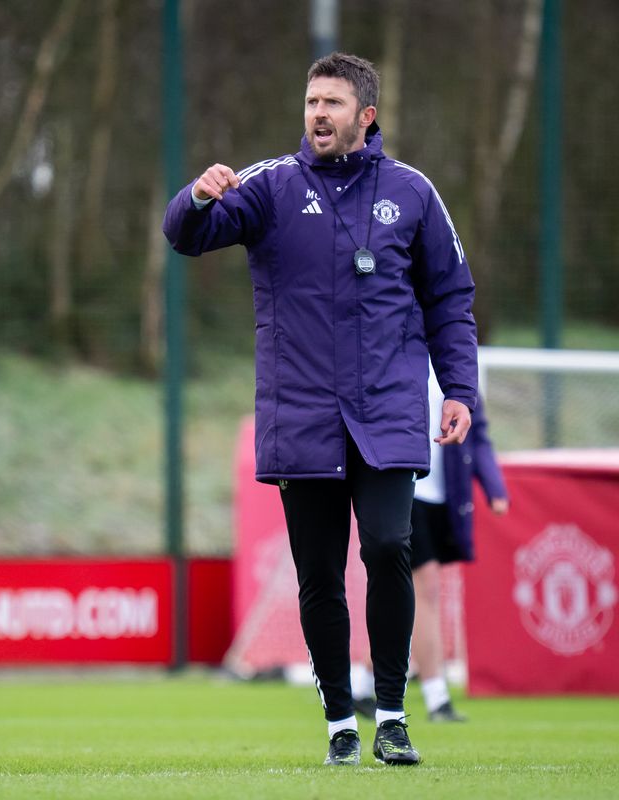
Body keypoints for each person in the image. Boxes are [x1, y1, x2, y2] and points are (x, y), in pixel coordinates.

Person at [164, 53, 479, 767]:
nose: (318, 114)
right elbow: (185, 235)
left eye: (333, 103)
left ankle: (393, 716)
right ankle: (341, 717)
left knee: (391, 546)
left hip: (389, 410)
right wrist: (198, 195)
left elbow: (450, 300)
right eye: (311, 102)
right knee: (318, 578)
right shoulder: (270, 187)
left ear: (366, 115)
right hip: (301, 415)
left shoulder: (414, 192)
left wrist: (460, 389)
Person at [352, 360, 509, 723]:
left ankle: (359, 684)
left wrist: (494, 489)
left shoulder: (456, 374)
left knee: (400, 593)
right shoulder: (392, 364)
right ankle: (436, 696)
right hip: (405, 489)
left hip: (444, 500)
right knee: (426, 590)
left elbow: (478, 435)